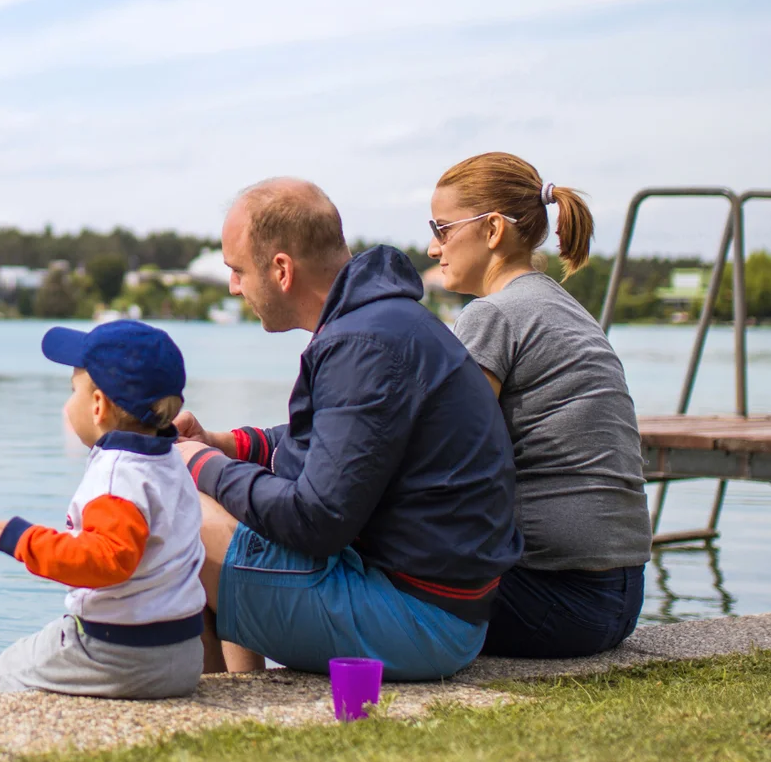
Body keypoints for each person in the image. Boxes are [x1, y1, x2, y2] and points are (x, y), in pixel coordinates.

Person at [175, 178, 522, 681]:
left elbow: (316, 521)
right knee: (208, 498)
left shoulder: (362, 344)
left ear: (281, 270)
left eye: (237, 270)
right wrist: (223, 446)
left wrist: (199, 464)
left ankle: (230, 696)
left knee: (177, 513)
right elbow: (332, 441)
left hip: (419, 621)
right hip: (435, 604)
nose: (233, 286)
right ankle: (238, 688)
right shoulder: (380, 321)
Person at [428, 152, 651, 659]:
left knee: (354, 570)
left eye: (442, 228)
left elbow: (448, 456)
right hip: (620, 598)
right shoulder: (561, 306)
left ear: (490, 230)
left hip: (555, 601)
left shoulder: (493, 315)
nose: (433, 245)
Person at [0, 320, 206, 697]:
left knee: (9, 669)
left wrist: (26, 540)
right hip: (183, 652)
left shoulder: (117, 477)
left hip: (120, 652)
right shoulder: (168, 462)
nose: (68, 403)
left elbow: (107, 559)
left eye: (73, 391)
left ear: (98, 405)